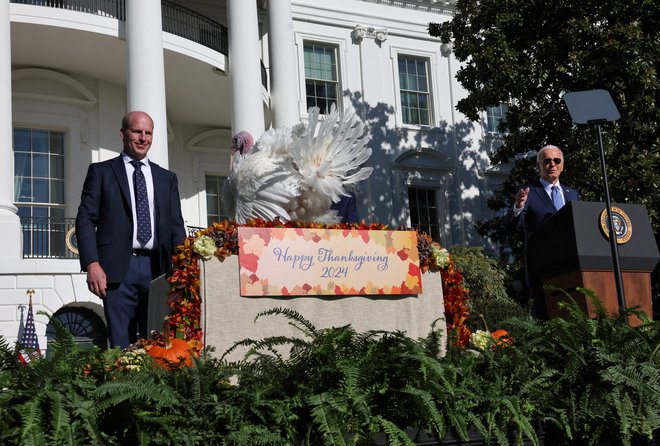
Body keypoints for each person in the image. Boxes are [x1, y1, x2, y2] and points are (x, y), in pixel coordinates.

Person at [75, 111, 186, 348]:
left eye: (148, 133)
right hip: (117, 270)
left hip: (159, 269)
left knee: (158, 343)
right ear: (123, 133)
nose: (143, 138)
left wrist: (183, 271)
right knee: (121, 346)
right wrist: (92, 264)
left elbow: (177, 228)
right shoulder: (102, 172)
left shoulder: (167, 178)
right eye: (137, 131)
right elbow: (85, 219)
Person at [512, 144, 580, 320]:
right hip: (543, 269)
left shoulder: (572, 194)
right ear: (539, 165)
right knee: (547, 318)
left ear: (563, 165)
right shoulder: (529, 192)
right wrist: (518, 206)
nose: (552, 165)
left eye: (557, 160)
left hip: (572, 267)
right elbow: (515, 225)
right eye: (547, 161)